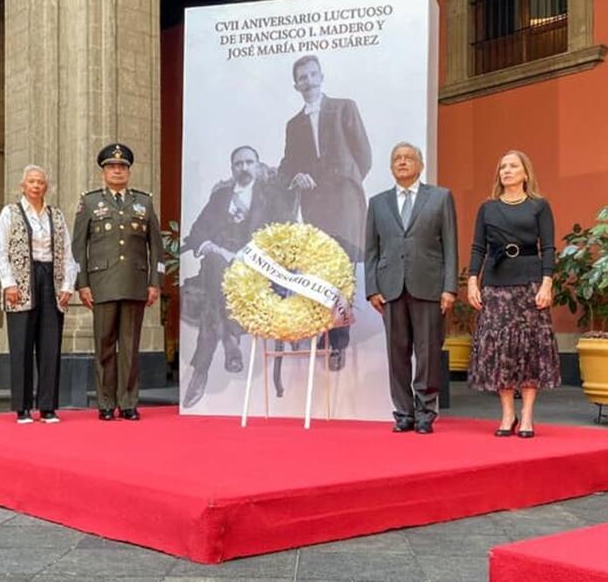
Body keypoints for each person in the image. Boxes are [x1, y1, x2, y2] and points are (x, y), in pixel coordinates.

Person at [279, 54, 372, 370]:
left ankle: (337, 342)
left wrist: (343, 180)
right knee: (320, 272)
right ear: (296, 85)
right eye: (302, 77)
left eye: (312, 74)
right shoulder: (293, 124)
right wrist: (294, 177)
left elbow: (364, 155)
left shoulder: (344, 107)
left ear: (321, 76)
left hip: (344, 202)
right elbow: (288, 163)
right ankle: (321, 330)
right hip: (315, 205)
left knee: (341, 272)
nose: (308, 80)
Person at [180, 145, 292, 408]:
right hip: (218, 261)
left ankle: (201, 370)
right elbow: (196, 231)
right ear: (232, 168)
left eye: (248, 162)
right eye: (238, 164)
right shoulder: (220, 198)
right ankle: (231, 341)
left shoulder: (272, 196)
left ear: (257, 165)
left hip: (255, 267)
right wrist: (207, 245)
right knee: (216, 264)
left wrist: (253, 251)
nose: (243, 167)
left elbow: (286, 231)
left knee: (212, 304)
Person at [466, 149, 561, 438]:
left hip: (530, 282)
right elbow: (478, 248)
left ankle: (528, 415)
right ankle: (507, 413)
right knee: (502, 350)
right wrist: (472, 281)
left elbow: (547, 247)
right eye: (502, 166)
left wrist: (547, 283)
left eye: (513, 166)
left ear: (525, 173)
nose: (506, 170)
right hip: (496, 283)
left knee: (530, 348)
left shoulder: (539, 206)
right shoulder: (488, 208)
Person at [364, 142, 457, 434]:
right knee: (397, 352)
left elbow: (451, 247)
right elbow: (371, 250)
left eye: (408, 158)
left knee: (428, 351)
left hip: (429, 285)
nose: (402, 162)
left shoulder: (440, 198)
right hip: (390, 288)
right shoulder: (378, 203)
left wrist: (449, 288)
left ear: (420, 165)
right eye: (397, 159)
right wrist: (371, 288)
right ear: (391, 167)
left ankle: (426, 412)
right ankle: (403, 413)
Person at [72, 143, 164, 421]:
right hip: (101, 284)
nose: (117, 171)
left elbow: (156, 248)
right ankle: (104, 402)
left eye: (122, 167)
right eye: (112, 167)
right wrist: (82, 284)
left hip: (135, 283)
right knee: (104, 346)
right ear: (103, 171)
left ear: (128, 171)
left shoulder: (143, 202)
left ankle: (127, 402)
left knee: (130, 348)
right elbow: (78, 248)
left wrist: (154, 282)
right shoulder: (89, 202)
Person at [0, 165, 79, 424]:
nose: (36, 186)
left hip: (50, 280)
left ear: (46, 187)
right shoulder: (10, 212)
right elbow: (0, 251)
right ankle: (22, 408)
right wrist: (8, 283)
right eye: (31, 181)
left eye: (40, 182)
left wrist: (67, 286)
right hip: (20, 283)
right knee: (21, 346)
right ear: (23, 186)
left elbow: (67, 253)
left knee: (50, 346)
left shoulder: (56, 215)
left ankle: (48, 406)